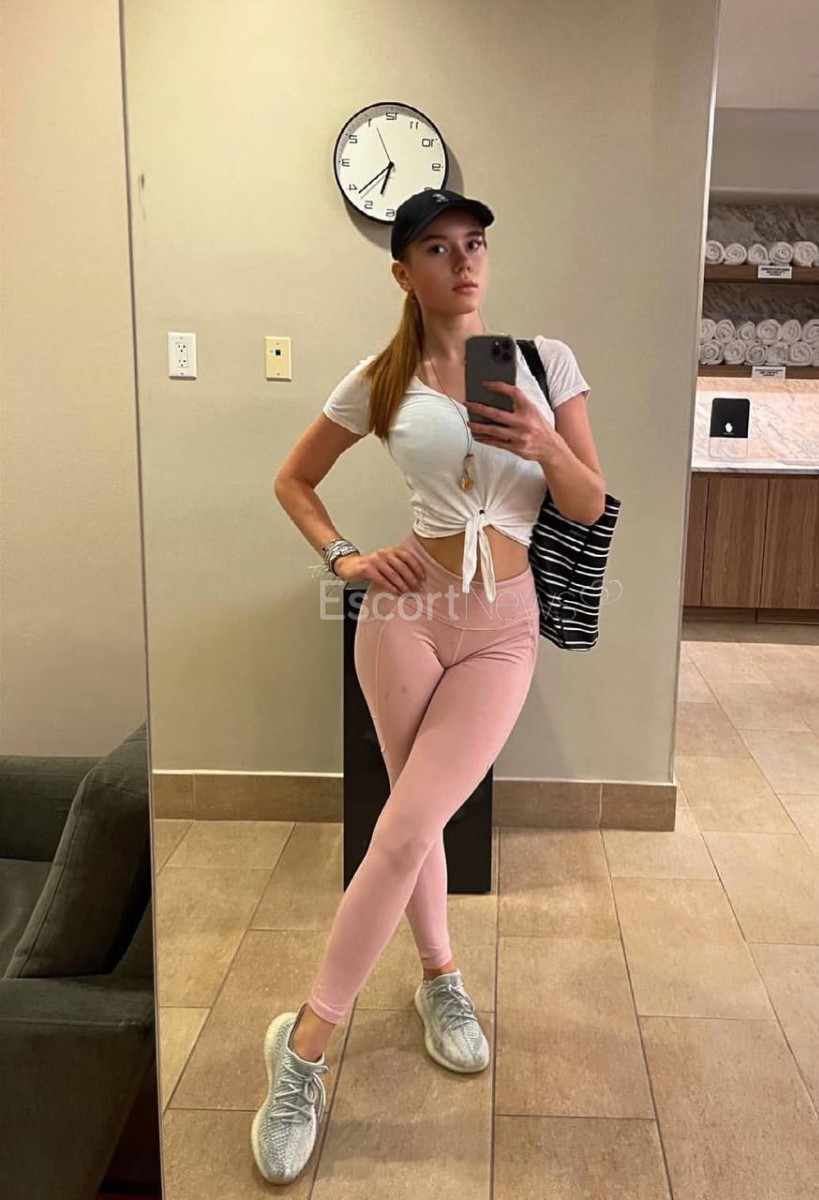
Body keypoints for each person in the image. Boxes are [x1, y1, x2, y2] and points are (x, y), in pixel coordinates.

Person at [251, 188, 605, 1184]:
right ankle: (436, 979)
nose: (464, 262)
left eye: (475, 243)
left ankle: (302, 1044)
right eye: (439, 249)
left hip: (503, 628)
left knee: (408, 825)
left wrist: (543, 442)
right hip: (403, 619)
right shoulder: (381, 379)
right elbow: (293, 480)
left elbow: (588, 501)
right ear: (403, 272)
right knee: (413, 824)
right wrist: (346, 559)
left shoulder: (545, 365)